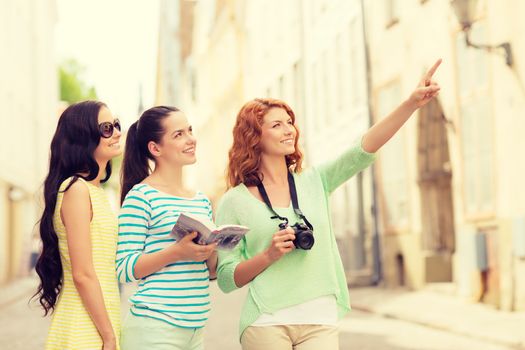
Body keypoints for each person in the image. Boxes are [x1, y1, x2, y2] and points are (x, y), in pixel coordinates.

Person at [216, 60, 442, 349]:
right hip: (266, 321)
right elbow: (225, 278)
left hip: (319, 318)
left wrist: (411, 104)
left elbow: (363, 148)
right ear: (254, 138)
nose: (289, 131)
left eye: (289, 123)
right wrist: (268, 255)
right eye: (277, 125)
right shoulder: (233, 202)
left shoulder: (315, 181)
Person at [117, 106, 218, 350]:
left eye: (190, 130)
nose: (190, 139)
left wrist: (212, 248)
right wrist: (177, 252)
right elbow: (124, 269)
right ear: (155, 148)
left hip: (195, 329)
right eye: (178, 134)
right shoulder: (140, 196)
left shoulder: (201, 200)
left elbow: (211, 272)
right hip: (155, 328)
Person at [34, 100, 122, 350]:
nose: (116, 132)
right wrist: (108, 336)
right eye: (107, 128)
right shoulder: (76, 190)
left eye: (116, 124)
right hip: (83, 329)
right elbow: (82, 273)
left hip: (100, 322)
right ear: (83, 136)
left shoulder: (94, 192)